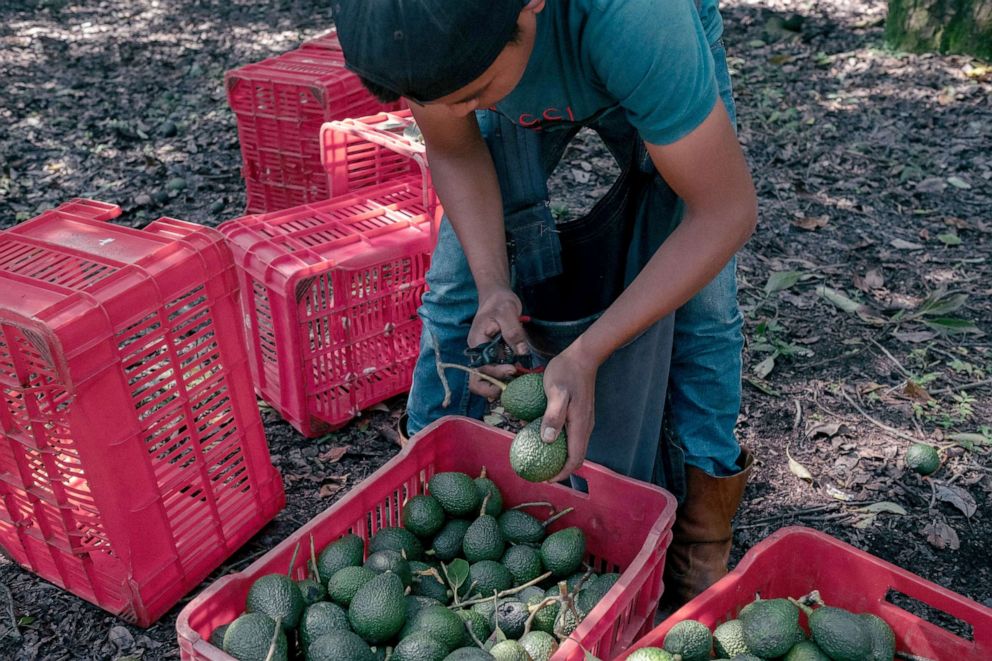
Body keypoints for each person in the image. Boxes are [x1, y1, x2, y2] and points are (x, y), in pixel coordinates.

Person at [333, 0, 757, 605]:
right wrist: (492, 284)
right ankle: (425, 505)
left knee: (704, 313)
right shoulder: (422, 30)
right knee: (454, 289)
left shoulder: (639, 21)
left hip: (628, 53)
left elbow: (724, 213)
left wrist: (587, 353)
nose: (457, 114)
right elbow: (455, 148)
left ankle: (700, 541)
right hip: (500, 49)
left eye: (473, 92)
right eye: (435, 102)